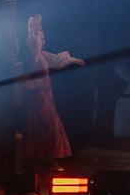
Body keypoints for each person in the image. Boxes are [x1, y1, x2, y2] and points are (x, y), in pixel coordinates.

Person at [16, 14, 83, 169]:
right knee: (43, 127)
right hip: (37, 98)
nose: (42, 40)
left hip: (46, 97)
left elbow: (56, 59)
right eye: (40, 37)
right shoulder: (33, 57)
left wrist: (73, 60)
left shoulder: (42, 56)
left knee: (48, 126)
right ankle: (43, 159)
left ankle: (46, 158)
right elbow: (33, 45)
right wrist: (33, 29)